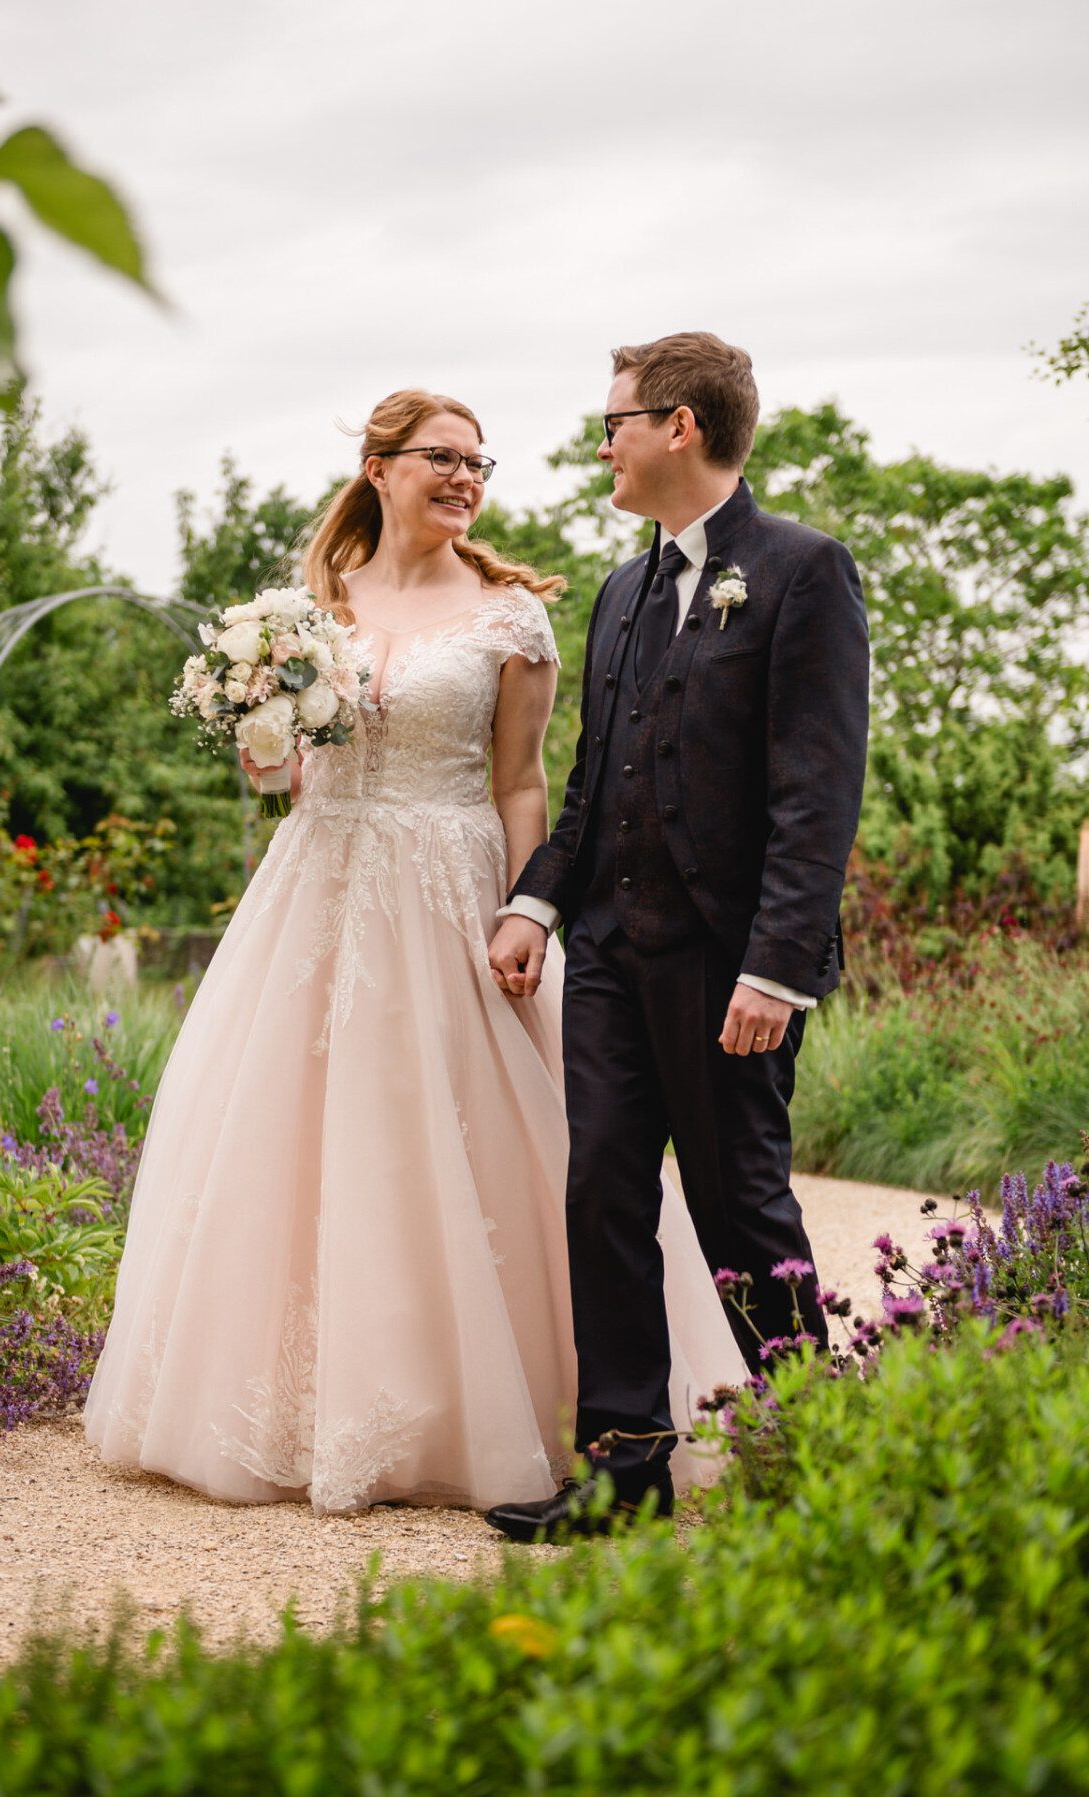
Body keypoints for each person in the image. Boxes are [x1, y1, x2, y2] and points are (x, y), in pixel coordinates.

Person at [84, 388, 745, 1515]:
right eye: (442, 457)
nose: (465, 478)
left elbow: (521, 782)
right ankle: (294, 1411)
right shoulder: (312, 610)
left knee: (481, 1137)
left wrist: (525, 909)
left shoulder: (511, 617)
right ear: (379, 468)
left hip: (452, 890)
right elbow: (285, 772)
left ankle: (521, 1409)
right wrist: (264, 740)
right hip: (316, 886)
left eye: (479, 463)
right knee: (294, 1136)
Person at [484, 334, 870, 1542]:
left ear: (680, 427)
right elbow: (593, 784)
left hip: (727, 963)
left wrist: (778, 969)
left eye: (615, 424)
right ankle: (623, 1475)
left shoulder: (803, 571)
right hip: (609, 949)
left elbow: (818, 795)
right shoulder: (621, 590)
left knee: (739, 1204)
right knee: (601, 1191)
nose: (603, 444)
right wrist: (536, 903)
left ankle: (822, 1466)